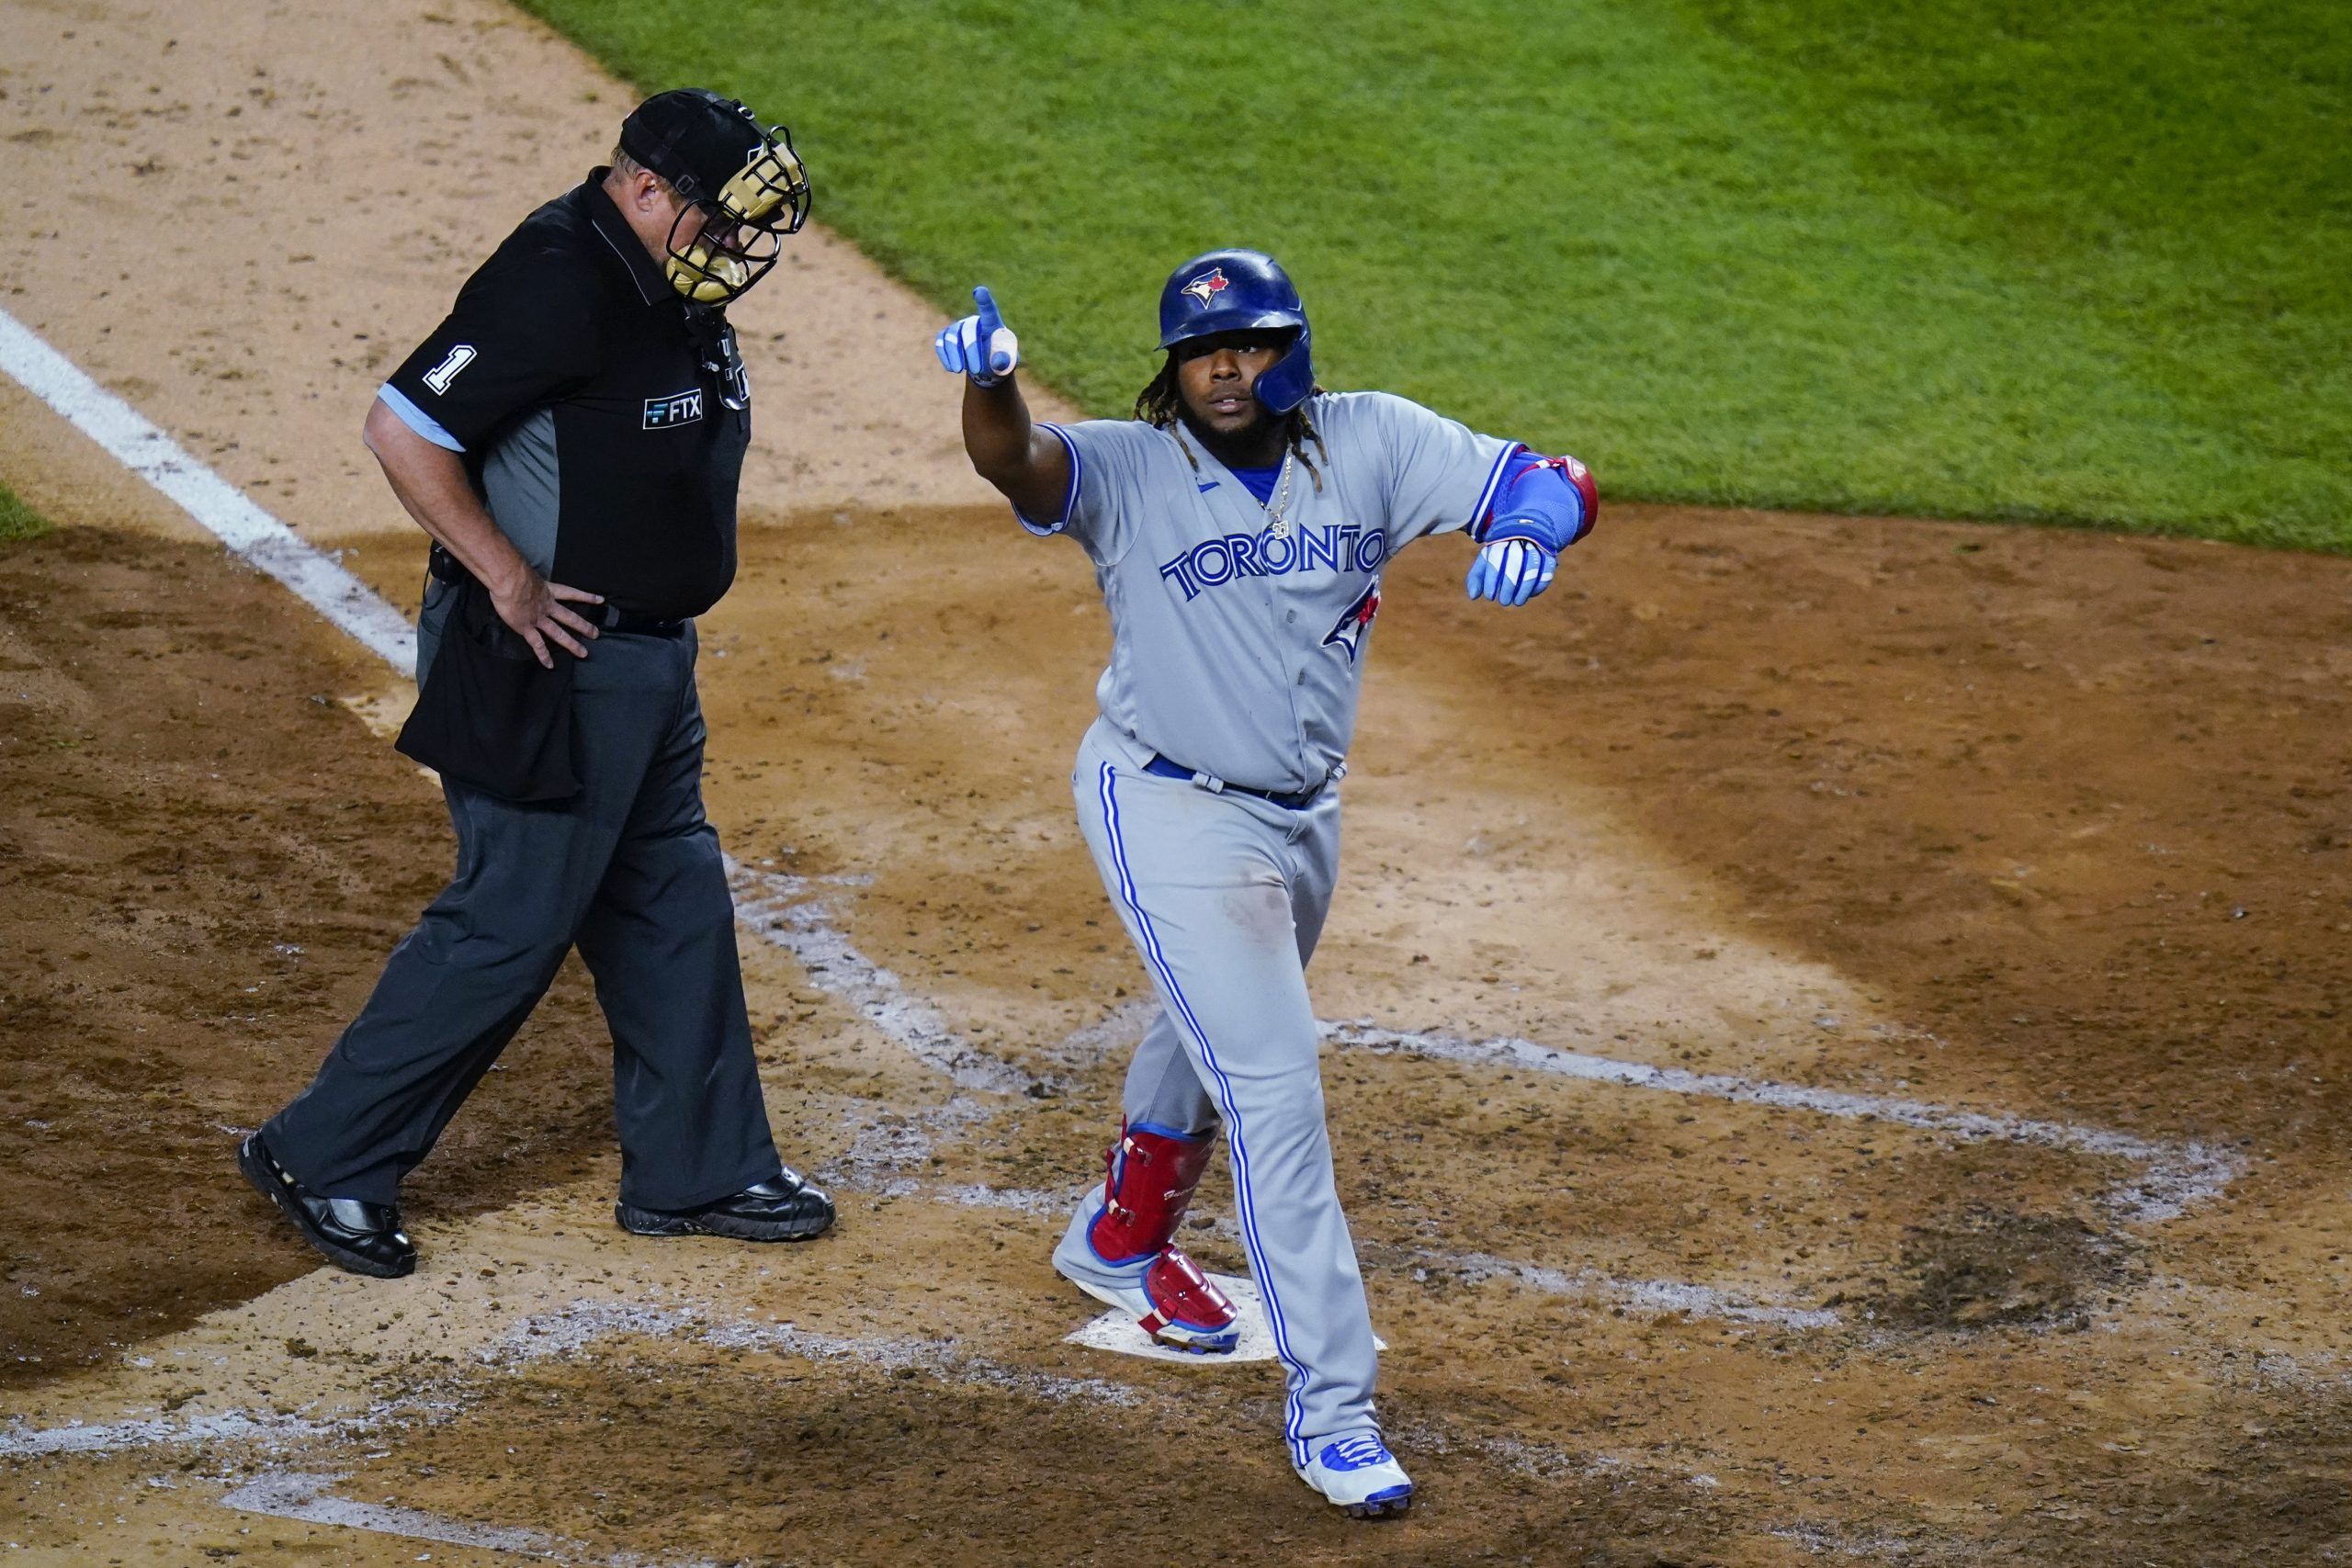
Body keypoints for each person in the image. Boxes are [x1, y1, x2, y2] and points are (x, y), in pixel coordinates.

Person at [933, 251, 1597, 1517]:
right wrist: (996, 388)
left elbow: (1547, 479)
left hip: (1302, 815)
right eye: (1201, 351)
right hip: (1168, 803)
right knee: (1277, 1092)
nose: (1225, 369)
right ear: (1173, 367)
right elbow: (1015, 463)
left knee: (1218, 1020)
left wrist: (1526, 529)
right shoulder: (1130, 470)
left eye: (1249, 345)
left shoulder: (1372, 444)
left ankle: (1117, 1238)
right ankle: (1334, 1414)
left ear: (1289, 351)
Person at [240, 89, 834, 1280]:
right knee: (511, 918)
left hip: (648, 660)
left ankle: (699, 1166)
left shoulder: (669, 282)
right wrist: (507, 579)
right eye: (719, 219)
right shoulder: (559, 276)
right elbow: (404, 425)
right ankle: (326, 1153)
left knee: (670, 900)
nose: (732, 245)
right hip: (550, 659)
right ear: (648, 189)